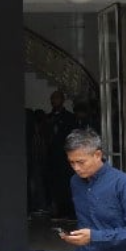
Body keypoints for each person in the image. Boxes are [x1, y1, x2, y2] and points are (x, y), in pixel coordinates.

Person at [46, 90, 79, 219]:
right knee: (54, 183)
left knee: (67, 183)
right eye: (52, 99)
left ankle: (69, 211)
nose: (54, 101)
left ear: (62, 100)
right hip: (51, 156)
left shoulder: (70, 117)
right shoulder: (48, 118)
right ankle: (57, 209)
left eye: (56, 98)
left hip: (66, 156)